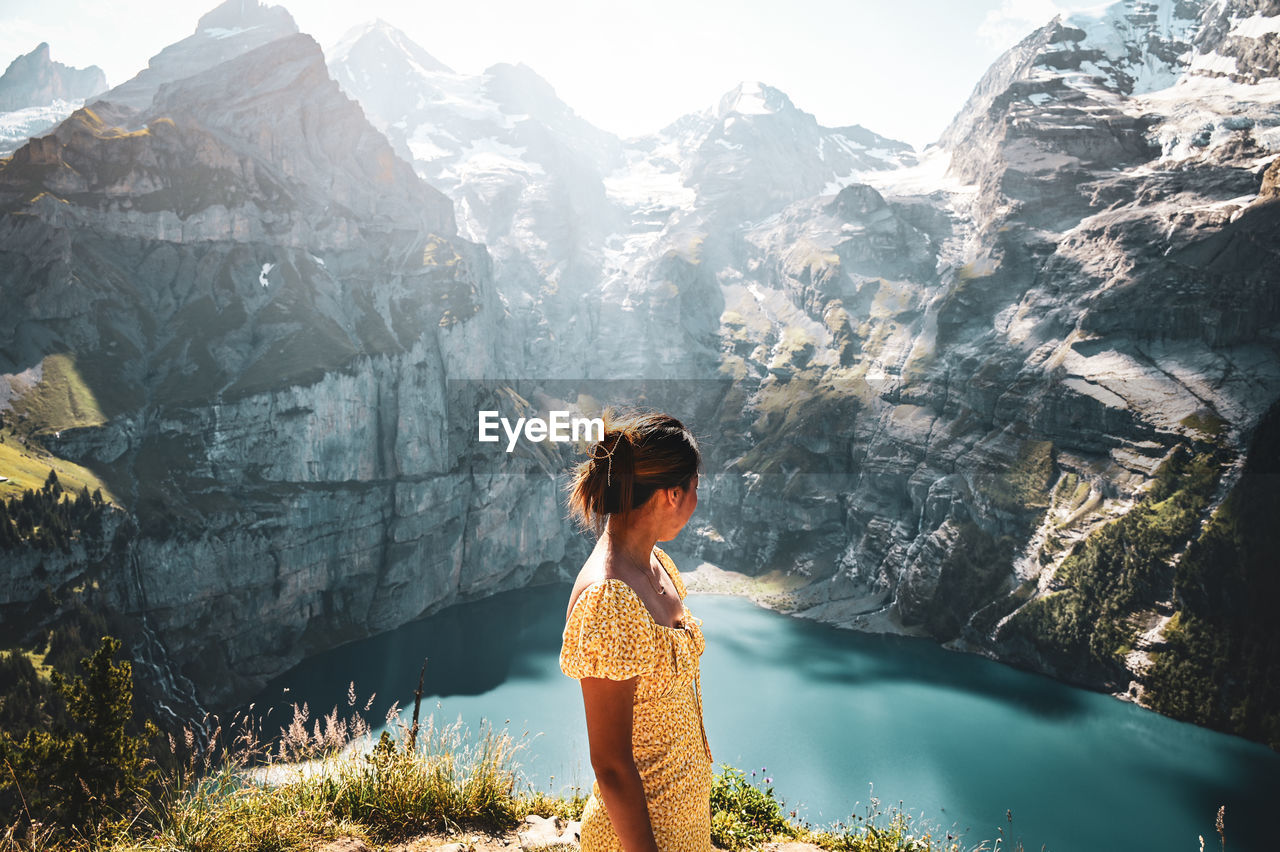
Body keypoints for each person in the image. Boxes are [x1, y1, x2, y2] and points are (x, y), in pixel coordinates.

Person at [559, 410, 712, 852]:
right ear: (671, 493)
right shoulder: (609, 600)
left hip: (685, 828)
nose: (696, 501)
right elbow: (609, 763)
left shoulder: (658, 566)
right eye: (695, 488)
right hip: (638, 842)